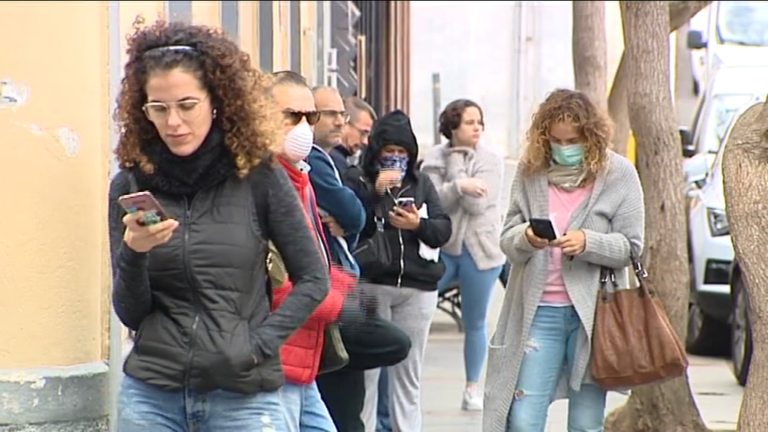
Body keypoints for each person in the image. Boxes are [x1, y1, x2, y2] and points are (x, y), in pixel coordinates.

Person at [108, 20, 329, 432]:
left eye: (186, 105)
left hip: (243, 397)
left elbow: (314, 279)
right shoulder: (130, 184)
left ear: (216, 101)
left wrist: (256, 346)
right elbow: (131, 312)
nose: (173, 122)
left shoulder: (258, 176)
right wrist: (134, 252)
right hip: (152, 394)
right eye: (158, 108)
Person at [483, 89, 645, 432]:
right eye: (556, 140)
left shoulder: (619, 174)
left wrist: (589, 242)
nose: (565, 148)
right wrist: (527, 237)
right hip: (538, 312)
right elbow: (508, 238)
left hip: (594, 318)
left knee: (586, 424)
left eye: (573, 140)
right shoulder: (531, 172)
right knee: (524, 421)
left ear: (591, 136)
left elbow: (632, 247)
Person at [268, 70, 379, 432]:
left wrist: (344, 287)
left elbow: (314, 257)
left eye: (309, 116)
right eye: (291, 116)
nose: (303, 126)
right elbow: (273, 280)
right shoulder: (259, 183)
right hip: (276, 360)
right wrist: (341, 305)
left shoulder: (299, 175)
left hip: (304, 359)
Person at [307, 87, 412, 432]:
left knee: (350, 388)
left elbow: (356, 222)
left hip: (349, 280)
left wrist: (354, 221)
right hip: (333, 285)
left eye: (343, 116)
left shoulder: (333, 160)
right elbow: (353, 212)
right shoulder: (319, 159)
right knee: (386, 345)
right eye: (333, 115)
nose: (341, 123)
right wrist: (359, 212)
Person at [345, 109, 452, 432]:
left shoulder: (422, 184)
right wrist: (376, 194)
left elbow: (443, 230)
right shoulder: (357, 179)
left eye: (401, 153)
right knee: (366, 373)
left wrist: (418, 224)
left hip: (417, 287)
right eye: (388, 152)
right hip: (370, 286)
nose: (394, 159)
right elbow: (350, 225)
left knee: (408, 372)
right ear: (376, 152)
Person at [421, 99, 506, 411]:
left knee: (475, 321)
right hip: (441, 249)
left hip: (481, 252)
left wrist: (456, 177)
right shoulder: (433, 158)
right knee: (420, 309)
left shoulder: (491, 160)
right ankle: (410, 379)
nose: (477, 128)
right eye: (470, 122)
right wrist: (459, 184)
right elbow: (433, 203)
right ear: (452, 127)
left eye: (480, 121)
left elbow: (477, 206)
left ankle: (472, 387)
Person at [330, 96, 377, 172]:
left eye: (367, 135)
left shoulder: (337, 160)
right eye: (363, 133)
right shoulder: (334, 161)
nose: (365, 142)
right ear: (344, 123)